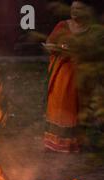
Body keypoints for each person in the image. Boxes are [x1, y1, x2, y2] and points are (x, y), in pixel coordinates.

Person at [44, 1, 94, 153]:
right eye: (73, 8)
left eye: (79, 8)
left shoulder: (92, 30)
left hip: (81, 73)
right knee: (60, 104)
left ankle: (75, 143)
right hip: (62, 72)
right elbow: (49, 43)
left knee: (78, 106)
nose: (74, 11)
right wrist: (57, 48)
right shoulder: (62, 26)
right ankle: (56, 142)